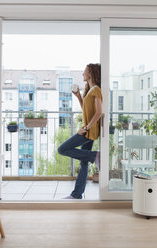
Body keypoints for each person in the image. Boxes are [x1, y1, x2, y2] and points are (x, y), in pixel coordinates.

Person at [58, 63, 102, 199]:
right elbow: (86, 111)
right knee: (83, 162)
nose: (83, 74)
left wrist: (86, 128)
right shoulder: (90, 90)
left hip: (88, 130)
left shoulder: (96, 90)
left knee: (62, 149)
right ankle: (77, 194)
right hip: (87, 128)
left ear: (91, 73)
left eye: (85, 71)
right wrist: (78, 96)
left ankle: (94, 156)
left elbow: (99, 112)